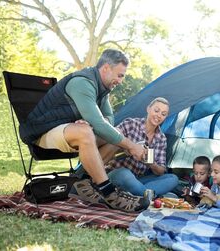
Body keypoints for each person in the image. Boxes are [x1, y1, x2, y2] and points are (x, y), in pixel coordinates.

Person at [19, 49, 149, 212]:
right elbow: (100, 123)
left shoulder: (102, 90)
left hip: (65, 130)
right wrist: (130, 146)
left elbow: (109, 119)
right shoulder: (82, 82)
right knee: (85, 132)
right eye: (120, 75)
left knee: (114, 134)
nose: (120, 81)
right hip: (41, 133)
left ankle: (82, 182)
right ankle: (109, 193)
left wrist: (94, 122)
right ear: (106, 68)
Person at [104, 97, 179, 197]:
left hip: (138, 179)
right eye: (156, 110)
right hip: (117, 173)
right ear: (148, 109)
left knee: (173, 179)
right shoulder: (131, 124)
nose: (159, 115)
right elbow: (112, 136)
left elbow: (161, 170)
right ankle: (148, 196)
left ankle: (134, 194)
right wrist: (128, 147)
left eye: (163, 114)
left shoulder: (162, 138)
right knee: (125, 174)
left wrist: (151, 163)